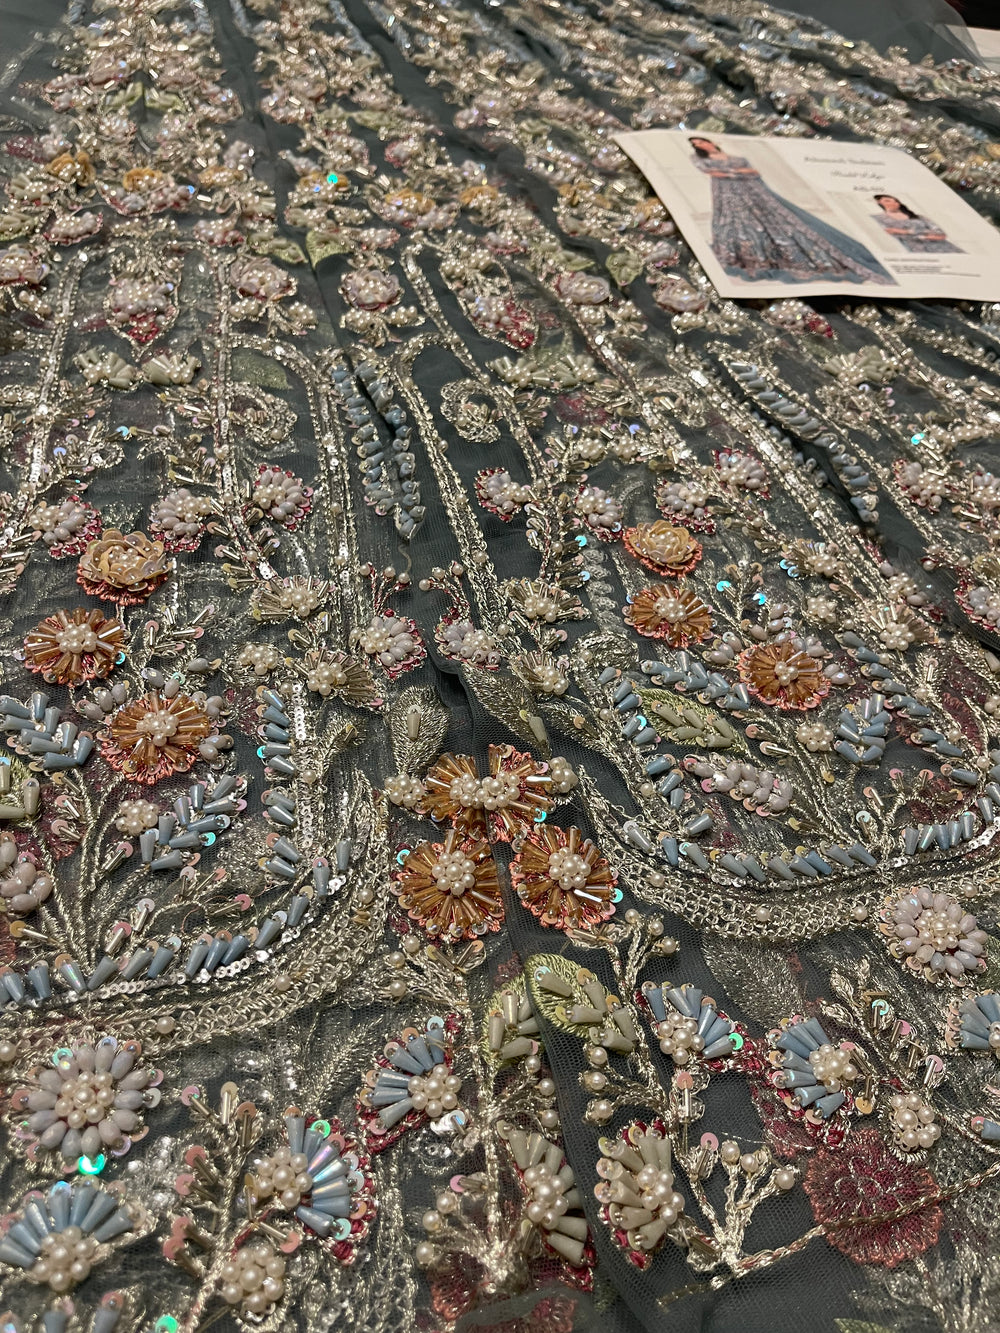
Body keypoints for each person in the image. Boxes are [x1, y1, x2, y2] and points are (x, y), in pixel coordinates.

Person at [690, 137, 896, 284]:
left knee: (779, 219)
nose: (699, 145)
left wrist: (732, 172)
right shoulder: (698, 158)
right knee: (735, 221)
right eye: (696, 144)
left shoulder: (733, 155)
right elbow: (711, 172)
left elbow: (753, 171)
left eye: (701, 141)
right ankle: (747, 255)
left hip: (755, 190)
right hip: (726, 192)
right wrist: (738, 173)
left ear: (710, 142)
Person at [874, 193, 963, 252]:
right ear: (879, 203)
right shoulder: (878, 218)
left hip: (946, 249)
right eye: (886, 201)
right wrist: (925, 233)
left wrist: (906, 232)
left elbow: (941, 234)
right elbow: (890, 233)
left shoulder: (920, 217)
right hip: (918, 252)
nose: (893, 203)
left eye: (895, 201)